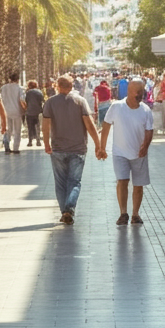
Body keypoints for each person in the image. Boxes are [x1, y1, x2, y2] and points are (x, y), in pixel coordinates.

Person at [42, 75, 102, 225]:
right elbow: (89, 124)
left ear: (57, 86)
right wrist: (98, 144)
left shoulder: (50, 103)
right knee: (74, 182)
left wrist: (46, 144)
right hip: (78, 149)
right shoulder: (80, 101)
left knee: (60, 182)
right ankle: (69, 209)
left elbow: (45, 126)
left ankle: (65, 211)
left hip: (58, 148)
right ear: (71, 86)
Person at [100, 78, 154, 226]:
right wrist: (101, 147)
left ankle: (135, 214)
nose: (141, 94)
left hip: (139, 154)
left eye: (142, 91)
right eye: (139, 91)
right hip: (120, 153)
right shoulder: (117, 107)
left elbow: (149, 131)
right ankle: (123, 213)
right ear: (130, 92)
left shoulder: (145, 110)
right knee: (122, 181)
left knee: (138, 185)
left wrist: (145, 146)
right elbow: (106, 126)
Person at [0, 73, 25, 154]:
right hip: (17, 111)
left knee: (8, 130)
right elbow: (22, 100)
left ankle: (7, 145)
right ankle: (16, 148)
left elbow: (0, 99)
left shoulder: (4, 87)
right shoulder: (20, 88)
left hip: (6, 111)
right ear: (18, 80)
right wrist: (25, 109)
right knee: (17, 131)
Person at [22, 81, 45, 149]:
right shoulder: (39, 92)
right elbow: (42, 100)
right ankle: (38, 141)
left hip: (29, 112)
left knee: (30, 127)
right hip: (38, 112)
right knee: (37, 126)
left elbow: (26, 101)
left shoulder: (28, 93)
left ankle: (30, 141)